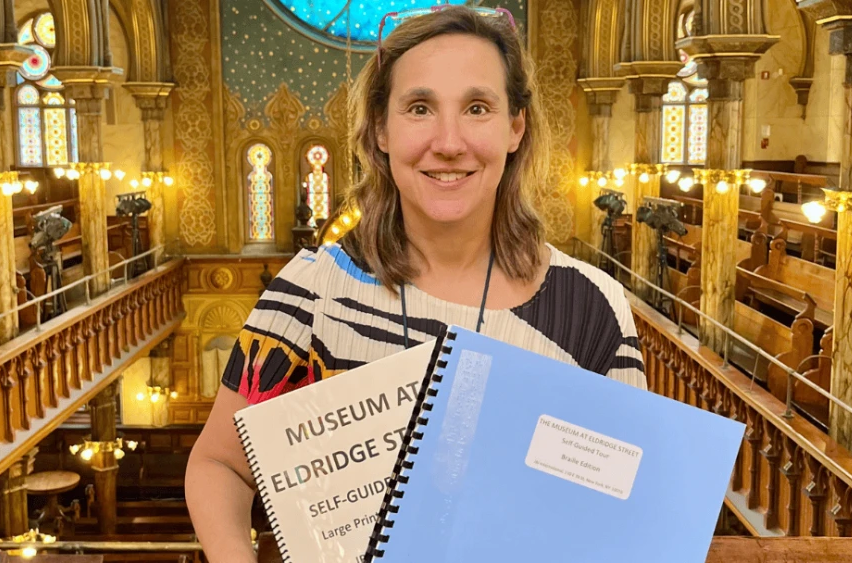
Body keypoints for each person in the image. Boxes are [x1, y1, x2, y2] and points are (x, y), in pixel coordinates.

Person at [185, 6, 646, 561]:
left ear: (515, 127)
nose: (448, 142)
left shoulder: (594, 307)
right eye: (420, 108)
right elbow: (219, 464)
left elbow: (624, 497)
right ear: (381, 128)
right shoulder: (312, 290)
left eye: (477, 108)